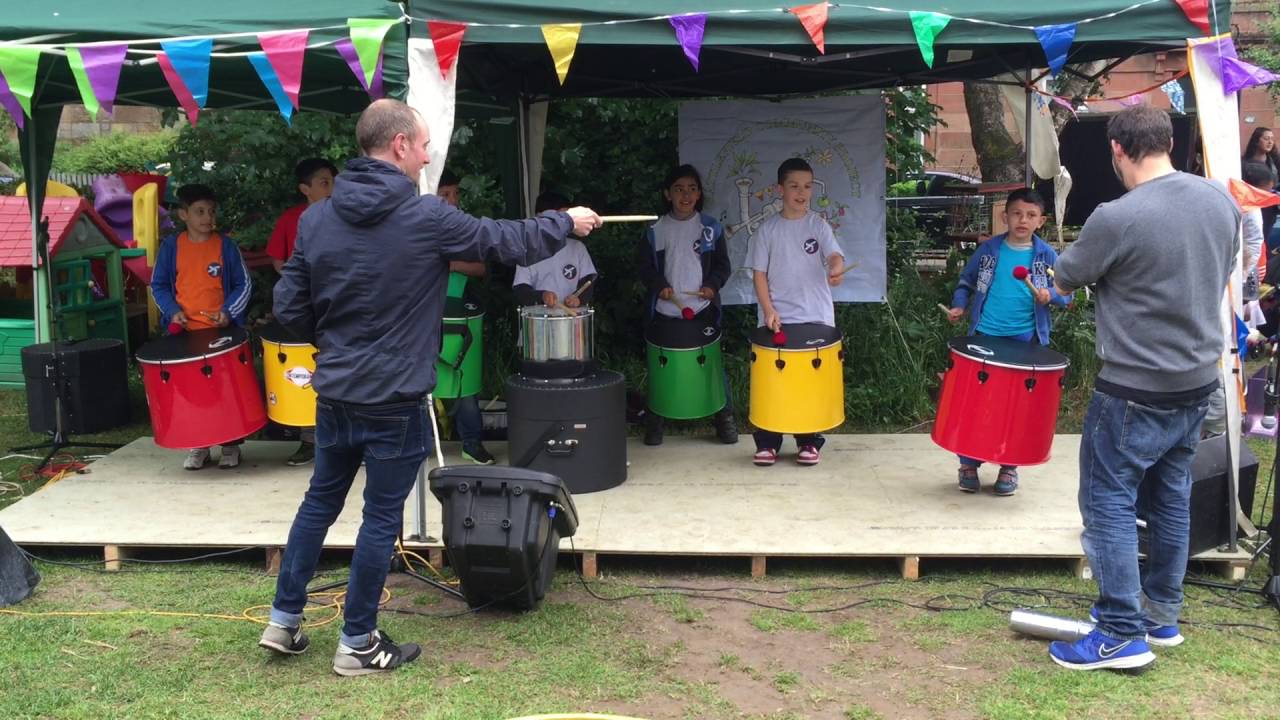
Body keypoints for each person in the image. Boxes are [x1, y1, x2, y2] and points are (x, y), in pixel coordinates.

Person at [259, 99, 601, 676]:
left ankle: (283, 621)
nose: (425, 157)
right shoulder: (426, 218)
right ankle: (358, 644)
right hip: (393, 401)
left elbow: (288, 308)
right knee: (379, 520)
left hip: (336, 392)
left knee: (319, 502)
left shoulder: (317, 218)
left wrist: (339, 346)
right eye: (422, 146)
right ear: (397, 146)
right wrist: (566, 222)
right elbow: (507, 241)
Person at [1050, 105, 1239, 672]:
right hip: (1196, 383)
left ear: (1117, 150)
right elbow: (1226, 269)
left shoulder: (1116, 216)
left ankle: (1119, 633)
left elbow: (1066, 275)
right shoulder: (1220, 201)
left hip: (1133, 389)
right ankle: (1162, 616)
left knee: (1106, 500)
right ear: (1169, 141)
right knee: (1170, 497)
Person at [947, 189, 1070, 495]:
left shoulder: (1047, 256)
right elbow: (966, 282)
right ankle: (968, 463)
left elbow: (1067, 294)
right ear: (1005, 216)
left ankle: (1009, 466)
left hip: (1026, 340)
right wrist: (960, 306)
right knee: (976, 405)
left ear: (1040, 221)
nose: (1022, 220)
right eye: (1016, 213)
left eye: (1030, 215)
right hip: (985, 335)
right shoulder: (989, 251)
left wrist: (1051, 295)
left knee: (1016, 408)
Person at [746, 158, 844, 466]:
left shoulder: (818, 224)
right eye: (794, 186)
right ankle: (768, 442)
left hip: (815, 315)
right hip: (778, 318)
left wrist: (836, 268)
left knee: (808, 383)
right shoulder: (767, 229)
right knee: (774, 383)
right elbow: (759, 274)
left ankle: (808, 441)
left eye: (807, 186)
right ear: (780, 189)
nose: (802, 193)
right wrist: (768, 309)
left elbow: (835, 255)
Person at [150, 183, 253, 470]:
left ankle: (231, 444)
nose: (207, 217)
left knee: (225, 391)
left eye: (211, 211)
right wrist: (172, 312)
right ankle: (200, 444)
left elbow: (243, 283)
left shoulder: (225, 246)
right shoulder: (172, 247)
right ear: (183, 215)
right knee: (194, 393)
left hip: (221, 333)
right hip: (186, 334)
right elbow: (158, 285)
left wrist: (229, 312)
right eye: (199, 212)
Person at [638, 164, 738, 445]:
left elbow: (722, 265)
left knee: (712, 364)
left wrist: (712, 286)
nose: (686, 195)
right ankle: (656, 419)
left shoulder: (710, 227)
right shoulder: (655, 229)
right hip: (665, 312)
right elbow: (645, 268)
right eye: (679, 189)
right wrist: (660, 287)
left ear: (699, 194)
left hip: (703, 310)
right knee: (662, 365)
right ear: (667, 194)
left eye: (692, 189)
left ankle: (724, 416)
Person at [266, 158, 338, 466]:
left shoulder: (344, 215)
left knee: (339, 372)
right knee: (305, 375)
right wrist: (299, 284)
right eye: (324, 182)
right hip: (305, 310)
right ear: (304, 189)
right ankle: (309, 440)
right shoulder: (291, 219)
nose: (332, 187)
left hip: (336, 306)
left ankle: (344, 440)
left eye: (334, 180)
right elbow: (278, 259)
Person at [436, 169, 494, 465]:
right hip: (423, 313)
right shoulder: (414, 225)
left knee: (464, 383)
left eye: (455, 193)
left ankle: (471, 444)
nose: (452, 200)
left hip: (459, 314)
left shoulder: (464, 227)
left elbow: (481, 268)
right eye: (445, 194)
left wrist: (454, 265)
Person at [512, 191, 598, 307]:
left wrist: (578, 298)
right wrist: (542, 296)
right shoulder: (529, 249)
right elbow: (521, 289)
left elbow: (588, 280)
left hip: (573, 318)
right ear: (539, 217)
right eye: (559, 218)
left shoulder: (577, 248)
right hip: (540, 319)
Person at [1243, 127, 1280, 244]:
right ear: (1256, 140)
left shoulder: (1275, 161)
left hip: (1271, 209)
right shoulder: (1245, 163)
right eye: (1266, 138)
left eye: (1272, 139)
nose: (1270, 142)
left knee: (1265, 241)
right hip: (1252, 209)